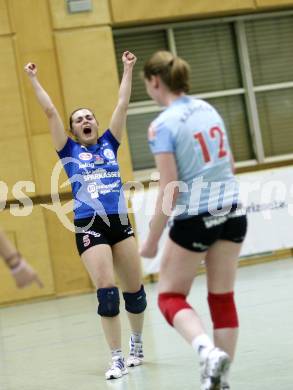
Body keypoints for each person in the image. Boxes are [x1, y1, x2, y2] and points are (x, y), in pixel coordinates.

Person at [24, 51, 147, 380]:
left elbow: (121, 104)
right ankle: (117, 358)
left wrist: (128, 67)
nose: (85, 121)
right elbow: (50, 112)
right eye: (78, 120)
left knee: (134, 292)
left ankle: (137, 344)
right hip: (90, 225)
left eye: (89, 117)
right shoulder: (68, 150)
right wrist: (34, 78)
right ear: (73, 130)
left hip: (119, 222)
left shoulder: (110, 141)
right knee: (107, 293)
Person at [140, 51, 247, 390]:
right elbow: (229, 165)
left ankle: (206, 352)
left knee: (169, 296)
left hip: (196, 217)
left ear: (155, 81)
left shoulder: (162, 125)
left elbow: (170, 189)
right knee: (222, 297)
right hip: (232, 211)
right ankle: (221, 380)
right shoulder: (208, 109)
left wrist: (153, 239)